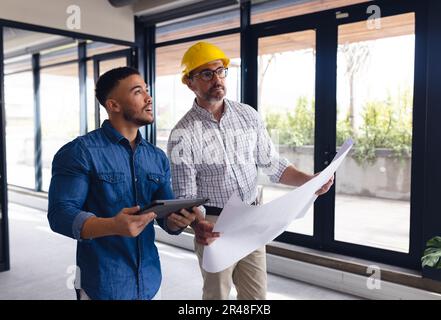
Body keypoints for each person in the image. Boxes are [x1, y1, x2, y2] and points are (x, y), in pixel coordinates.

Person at [167, 42, 334, 300]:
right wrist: (197, 224)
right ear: (190, 83)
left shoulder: (248, 115)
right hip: (214, 225)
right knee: (217, 296)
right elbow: (187, 195)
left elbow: (273, 164)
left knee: (256, 297)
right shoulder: (183, 133)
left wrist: (309, 181)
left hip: (252, 218)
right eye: (207, 74)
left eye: (221, 71)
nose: (217, 79)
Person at [48, 67, 198, 300]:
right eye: (138, 92)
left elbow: (166, 217)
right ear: (113, 105)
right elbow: (60, 215)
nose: (149, 98)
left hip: (150, 282)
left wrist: (179, 220)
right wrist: (113, 226)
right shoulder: (80, 152)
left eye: (147, 90)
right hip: (103, 283)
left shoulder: (157, 157)